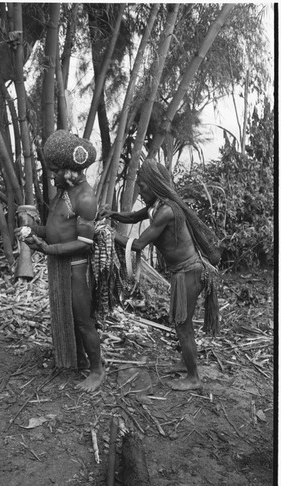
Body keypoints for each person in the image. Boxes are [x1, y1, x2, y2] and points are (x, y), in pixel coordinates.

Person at [100, 159, 220, 391]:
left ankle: (194, 377)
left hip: (189, 272)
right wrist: (113, 213)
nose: (140, 191)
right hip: (182, 272)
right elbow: (134, 217)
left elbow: (138, 244)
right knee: (181, 324)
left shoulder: (166, 211)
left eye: (143, 187)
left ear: (154, 186)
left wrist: (107, 232)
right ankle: (188, 364)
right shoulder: (157, 205)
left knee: (182, 325)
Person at [15, 130, 105, 393]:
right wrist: (32, 232)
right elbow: (55, 230)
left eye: (54, 170)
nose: (51, 175)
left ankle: (97, 371)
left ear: (69, 170)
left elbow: (83, 244)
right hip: (61, 266)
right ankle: (76, 359)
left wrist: (47, 249)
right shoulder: (63, 193)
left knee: (83, 322)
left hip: (77, 270)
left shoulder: (85, 198)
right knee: (70, 317)